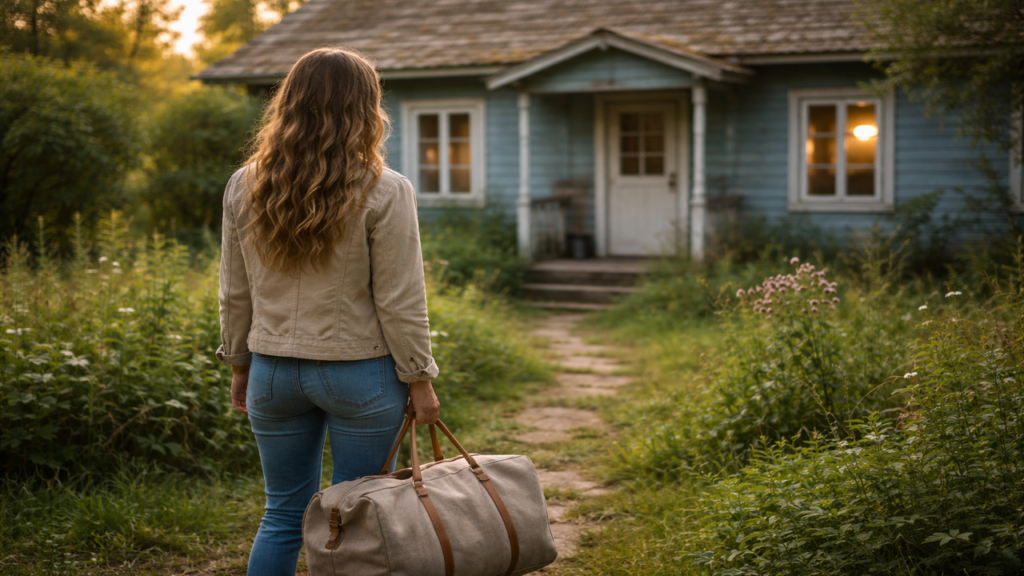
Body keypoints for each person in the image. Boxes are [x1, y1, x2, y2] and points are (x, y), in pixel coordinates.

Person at [216, 47, 440, 576]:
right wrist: (420, 378)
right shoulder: (385, 189)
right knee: (357, 522)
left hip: (272, 372)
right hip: (360, 376)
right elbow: (401, 299)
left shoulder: (245, 184)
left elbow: (234, 290)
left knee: (282, 514)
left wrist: (239, 364)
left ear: (289, 103)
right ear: (366, 107)